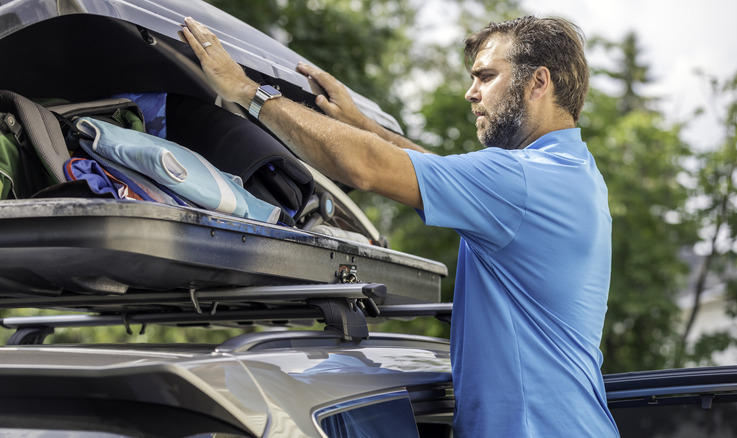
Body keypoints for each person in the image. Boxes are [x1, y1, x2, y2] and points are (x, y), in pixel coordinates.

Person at [181, 15, 619, 437]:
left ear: (538, 82)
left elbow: (367, 167)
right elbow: (439, 171)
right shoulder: (568, 171)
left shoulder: (521, 180)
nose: (471, 93)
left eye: (485, 77)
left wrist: (247, 91)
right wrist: (362, 125)